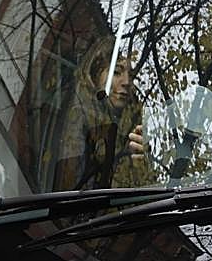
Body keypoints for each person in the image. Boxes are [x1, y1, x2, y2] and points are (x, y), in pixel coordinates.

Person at [52, 36, 150, 192]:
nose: (126, 81)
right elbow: (70, 188)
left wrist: (138, 161)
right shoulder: (79, 116)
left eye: (132, 76)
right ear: (95, 75)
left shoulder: (134, 126)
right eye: (116, 72)